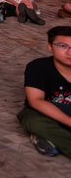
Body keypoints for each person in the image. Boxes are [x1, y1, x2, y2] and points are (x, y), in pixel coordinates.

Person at [17, 26, 71, 157]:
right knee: (35, 123)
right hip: (41, 112)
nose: (70, 52)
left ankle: (49, 139)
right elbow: (36, 101)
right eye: (63, 46)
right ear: (50, 47)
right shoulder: (38, 67)